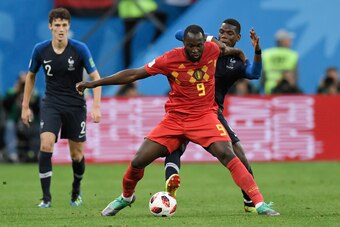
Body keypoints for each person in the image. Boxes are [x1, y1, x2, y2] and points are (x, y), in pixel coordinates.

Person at [76, 24, 280, 216]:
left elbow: (230, 52)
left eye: (199, 46)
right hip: (174, 119)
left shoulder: (212, 49)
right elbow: (134, 74)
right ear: (184, 44)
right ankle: (126, 197)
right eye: (190, 46)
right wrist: (95, 83)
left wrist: (242, 52)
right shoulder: (169, 59)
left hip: (204, 117)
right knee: (138, 160)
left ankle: (259, 204)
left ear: (204, 43)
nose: (195, 50)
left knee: (228, 154)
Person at [166, 19, 262, 213]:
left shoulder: (236, 63)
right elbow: (178, 33)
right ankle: (170, 189)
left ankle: (249, 201)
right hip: (187, 108)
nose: (224, 36)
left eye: (229, 33)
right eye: (221, 32)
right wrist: (212, 39)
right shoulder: (205, 48)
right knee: (175, 144)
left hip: (212, 112)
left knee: (239, 155)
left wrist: (257, 51)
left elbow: (254, 74)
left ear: (238, 37)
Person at [21, 8, 102, 208]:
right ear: (50, 27)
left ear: (69, 27)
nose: (60, 29)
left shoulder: (80, 49)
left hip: (75, 105)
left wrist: (97, 106)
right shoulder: (40, 50)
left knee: (76, 155)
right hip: (52, 104)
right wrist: (25, 106)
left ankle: (76, 190)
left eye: (64, 25)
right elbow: (30, 76)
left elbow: (96, 78)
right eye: (57, 25)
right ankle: (46, 198)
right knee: (46, 143)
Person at [3, 72, 40, 163]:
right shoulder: (11, 92)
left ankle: (34, 153)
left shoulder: (34, 94)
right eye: (22, 82)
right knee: (9, 125)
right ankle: (12, 154)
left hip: (31, 121)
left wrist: (30, 92)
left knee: (38, 127)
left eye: (26, 82)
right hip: (15, 120)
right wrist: (17, 90)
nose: (24, 84)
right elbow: (6, 105)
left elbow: (37, 108)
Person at [118, 0, 167, 68]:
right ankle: (127, 66)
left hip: (144, 9)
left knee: (128, 40)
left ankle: (154, 42)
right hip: (131, 12)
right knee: (127, 40)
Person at [262, 29, 299, 94]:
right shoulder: (293, 55)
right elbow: (295, 78)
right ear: (282, 41)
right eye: (289, 39)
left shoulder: (266, 54)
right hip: (288, 92)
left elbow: (262, 78)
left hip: (269, 92)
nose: (291, 41)